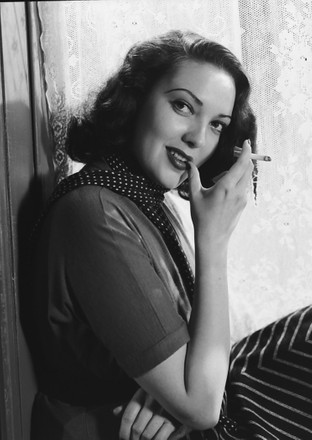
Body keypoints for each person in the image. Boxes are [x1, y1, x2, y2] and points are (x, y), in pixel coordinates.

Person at [29, 30, 312, 440]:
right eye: (183, 106)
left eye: (217, 125)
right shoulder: (95, 212)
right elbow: (201, 405)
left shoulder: (146, 201)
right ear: (136, 99)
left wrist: (168, 394)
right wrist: (213, 240)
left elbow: (196, 372)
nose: (197, 138)